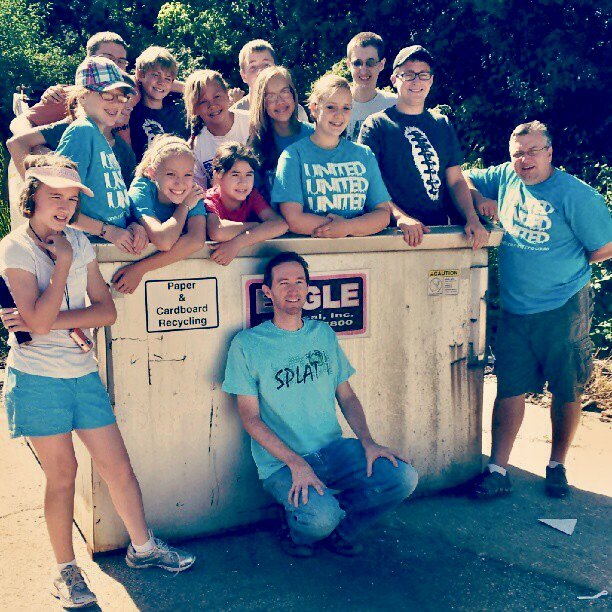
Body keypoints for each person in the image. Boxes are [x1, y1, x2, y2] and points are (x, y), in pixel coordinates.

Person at [0, 154, 196, 608]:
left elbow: (105, 312)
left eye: (71, 199)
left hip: (81, 374)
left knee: (118, 467)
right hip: (37, 378)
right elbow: (37, 321)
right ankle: (66, 571)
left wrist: (56, 320)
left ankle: (143, 548)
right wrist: (63, 267)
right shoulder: (16, 247)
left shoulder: (78, 242)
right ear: (32, 198)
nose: (65, 208)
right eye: (55, 197)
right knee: (63, 476)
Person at [223, 251, 418, 557]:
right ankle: (299, 533)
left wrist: (368, 441)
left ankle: (343, 530)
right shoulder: (247, 344)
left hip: (332, 450)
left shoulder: (322, 333)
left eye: (299, 281)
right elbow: (250, 418)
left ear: (308, 289)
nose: (292, 289)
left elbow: (347, 396)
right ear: (268, 292)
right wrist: (296, 463)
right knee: (319, 518)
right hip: (281, 464)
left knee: (402, 477)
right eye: (283, 282)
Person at [464, 121, 612, 498]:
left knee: (567, 388)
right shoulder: (506, 177)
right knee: (509, 386)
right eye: (517, 153)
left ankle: (556, 465)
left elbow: (604, 246)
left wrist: (564, 267)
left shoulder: (576, 195)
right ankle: (498, 469)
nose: (524, 160)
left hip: (563, 307)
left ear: (549, 152)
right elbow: (461, 178)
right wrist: (478, 200)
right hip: (515, 309)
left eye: (532, 151)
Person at [359, 45, 489, 248]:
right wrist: (400, 217)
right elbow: (367, 182)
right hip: (390, 235)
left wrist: (472, 218)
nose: (417, 81)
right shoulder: (377, 125)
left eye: (423, 75)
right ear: (394, 79)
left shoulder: (441, 124)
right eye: (408, 75)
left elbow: (456, 181)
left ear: (431, 80)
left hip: (438, 233)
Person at [272, 74, 391, 238]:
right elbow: (293, 218)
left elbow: (383, 213)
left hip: (361, 253)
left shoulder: (364, 155)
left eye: (346, 108)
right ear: (314, 109)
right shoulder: (293, 156)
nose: (339, 115)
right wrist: (338, 229)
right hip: (311, 254)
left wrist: (348, 227)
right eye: (330, 107)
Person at [54, 57, 148, 255]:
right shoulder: (81, 132)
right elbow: (60, 207)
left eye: (121, 97)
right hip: (86, 247)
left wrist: (132, 224)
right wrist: (108, 231)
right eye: (107, 95)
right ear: (82, 96)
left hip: (108, 246)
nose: (116, 103)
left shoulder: (100, 136)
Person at [112, 135, 207, 294]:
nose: (180, 183)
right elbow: (164, 241)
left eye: (188, 175)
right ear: (152, 173)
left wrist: (139, 269)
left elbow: (196, 241)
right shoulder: (142, 187)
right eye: (171, 174)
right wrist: (184, 207)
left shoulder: (192, 192)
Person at [7, 73, 138, 186]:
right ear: (83, 97)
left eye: (124, 98)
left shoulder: (123, 149)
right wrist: (34, 192)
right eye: (108, 96)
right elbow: (16, 142)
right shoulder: (71, 127)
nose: (126, 105)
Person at [10, 32, 130, 136]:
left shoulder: (132, 92)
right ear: (89, 59)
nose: (115, 65)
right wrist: (38, 152)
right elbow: (20, 121)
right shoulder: (71, 96)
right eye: (107, 58)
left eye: (121, 61)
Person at [205, 142, 287, 266]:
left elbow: (281, 225)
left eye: (249, 174)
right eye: (235, 174)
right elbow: (217, 231)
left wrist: (237, 244)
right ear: (218, 175)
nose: (243, 182)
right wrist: (259, 226)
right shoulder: (209, 199)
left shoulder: (252, 196)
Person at [248, 66, 314, 201]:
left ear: (293, 93)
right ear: (262, 103)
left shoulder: (314, 135)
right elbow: (255, 198)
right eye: (270, 96)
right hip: (276, 220)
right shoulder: (256, 143)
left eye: (284, 92)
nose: (279, 102)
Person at [184, 70, 251, 189]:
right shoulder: (196, 146)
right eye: (203, 101)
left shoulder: (252, 123)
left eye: (217, 96)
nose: (212, 105)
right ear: (195, 109)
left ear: (227, 95)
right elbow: (200, 191)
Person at [130, 46, 188, 161]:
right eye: (156, 75)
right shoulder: (131, 112)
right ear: (141, 75)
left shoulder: (179, 113)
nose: (161, 82)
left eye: (167, 79)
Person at [232, 39, 309, 122]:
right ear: (243, 76)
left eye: (266, 65)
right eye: (253, 67)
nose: (261, 72)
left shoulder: (294, 112)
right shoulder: (234, 116)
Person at [344, 32, 396, 142]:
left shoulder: (395, 106)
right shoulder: (335, 105)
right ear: (349, 65)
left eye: (370, 62)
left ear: (381, 64)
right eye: (357, 63)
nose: (363, 70)